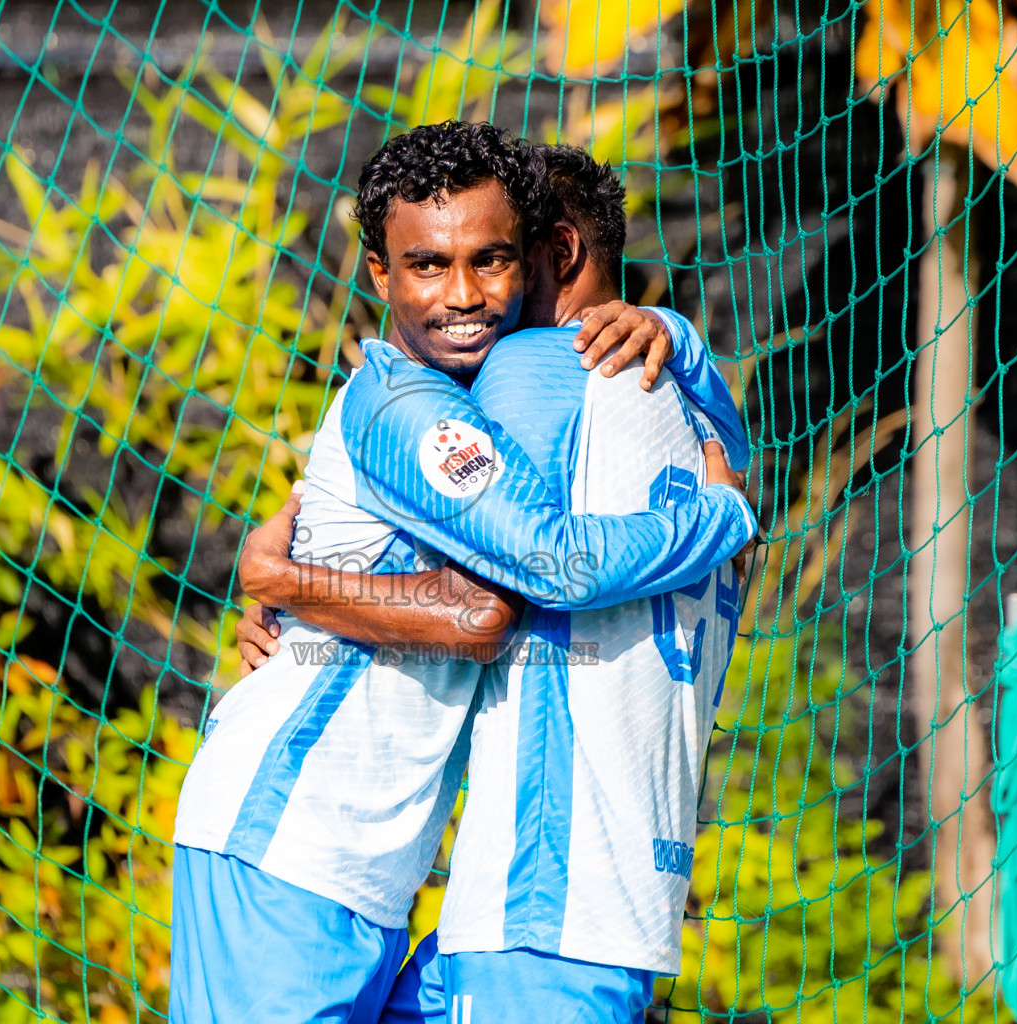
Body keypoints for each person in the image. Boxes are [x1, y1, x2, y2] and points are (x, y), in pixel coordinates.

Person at [169, 122, 756, 1024]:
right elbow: (494, 605)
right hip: (287, 835)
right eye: (429, 266)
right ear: (380, 275)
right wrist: (722, 516)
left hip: (376, 874)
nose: (465, 294)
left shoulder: (510, 393)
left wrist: (673, 332)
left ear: (538, 255)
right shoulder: (409, 405)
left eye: (492, 260)